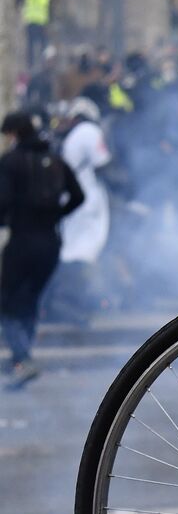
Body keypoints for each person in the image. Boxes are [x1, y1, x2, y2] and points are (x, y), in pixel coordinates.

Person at [0, 112, 83, 387]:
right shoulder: (56, 160)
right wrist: (57, 214)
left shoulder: (11, 162)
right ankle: (24, 356)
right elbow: (78, 195)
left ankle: (21, 359)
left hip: (22, 241)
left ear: (14, 134)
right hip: (50, 243)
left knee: (10, 302)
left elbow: (3, 201)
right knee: (30, 300)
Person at [48, 97, 113, 326]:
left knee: (75, 249)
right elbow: (103, 162)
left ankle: (68, 302)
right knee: (80, 251)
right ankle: (70, 302)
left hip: (79, 201)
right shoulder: (87, 131)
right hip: (86, 204)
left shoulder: (74, 135)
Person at [19, 0, 51, 70]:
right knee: (33, 46)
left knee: (39, 46)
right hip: (34, 24)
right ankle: (32, 64)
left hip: (39, 24)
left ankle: (40, 64)